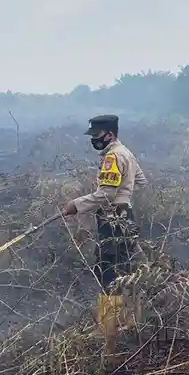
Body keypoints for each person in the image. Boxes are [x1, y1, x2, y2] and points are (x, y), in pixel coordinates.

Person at [60, 114, 148, 292]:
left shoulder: (113, 157)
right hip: (126, 216)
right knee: (128, 265)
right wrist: (124, 197)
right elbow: (141, 181)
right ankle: (132, 311)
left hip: (112, 218)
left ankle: (112, 316)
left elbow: (106, 194)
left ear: (109, 134)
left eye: (96, 135)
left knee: (108, 270)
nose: (93, 139)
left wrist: (76, 205)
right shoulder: (126, 152)